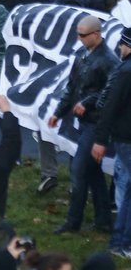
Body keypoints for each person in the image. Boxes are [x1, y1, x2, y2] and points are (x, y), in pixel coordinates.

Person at [49, 15, 118, 234]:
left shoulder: (109, 61)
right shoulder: (81, 55)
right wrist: (59, 112)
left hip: (97, 123)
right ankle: (103, 219)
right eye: (77, 34)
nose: (79, 39)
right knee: (92, 171)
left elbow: (111, 94)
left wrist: (87, 103)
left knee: (78, 170)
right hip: (86, 120)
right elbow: (72, 86)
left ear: (96, 34)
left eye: (83, 35)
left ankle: (73, 222)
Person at [92, 26, 131, 257]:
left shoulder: (125, 70)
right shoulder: (126, 71)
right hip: (126, 139)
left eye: (122, 44)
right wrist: (100, 139)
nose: (119, 48)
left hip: (125, 138)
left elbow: (110, 106)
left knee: (126, 189)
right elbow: (109, 106)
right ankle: (123, 243)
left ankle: (120, 242)